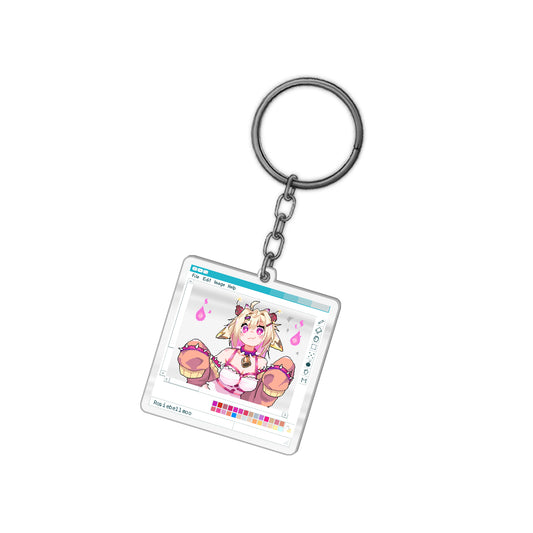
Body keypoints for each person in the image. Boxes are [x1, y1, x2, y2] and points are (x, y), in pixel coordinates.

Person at [178, 301, 295, 407]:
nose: (251, 334)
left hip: (240, 406)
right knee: (196, 351)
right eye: (245, 328)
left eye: (259, 330)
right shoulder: (228, 353)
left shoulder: (261, 362)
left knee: (280, 371)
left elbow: (260, 387)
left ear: (267, 335)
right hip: (211, 395)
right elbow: (210, 370)